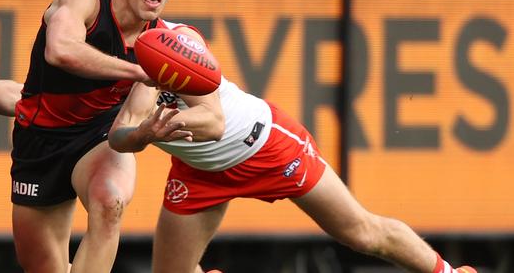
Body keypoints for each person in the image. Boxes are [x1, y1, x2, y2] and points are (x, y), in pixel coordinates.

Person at [104, 28, 479, 273]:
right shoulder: (100, 58)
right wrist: (141, 136)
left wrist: (157, 129)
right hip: (199, 168)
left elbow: (214, 123)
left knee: (362, 233)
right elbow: (121, 136)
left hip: (264, 144)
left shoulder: (169, 39)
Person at [0, 0, 189, 273]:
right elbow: (52, 61)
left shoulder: (161, 45)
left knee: (110, 202)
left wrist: (147, 133)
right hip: (40, 149)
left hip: (99, 139)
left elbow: (130, 129)